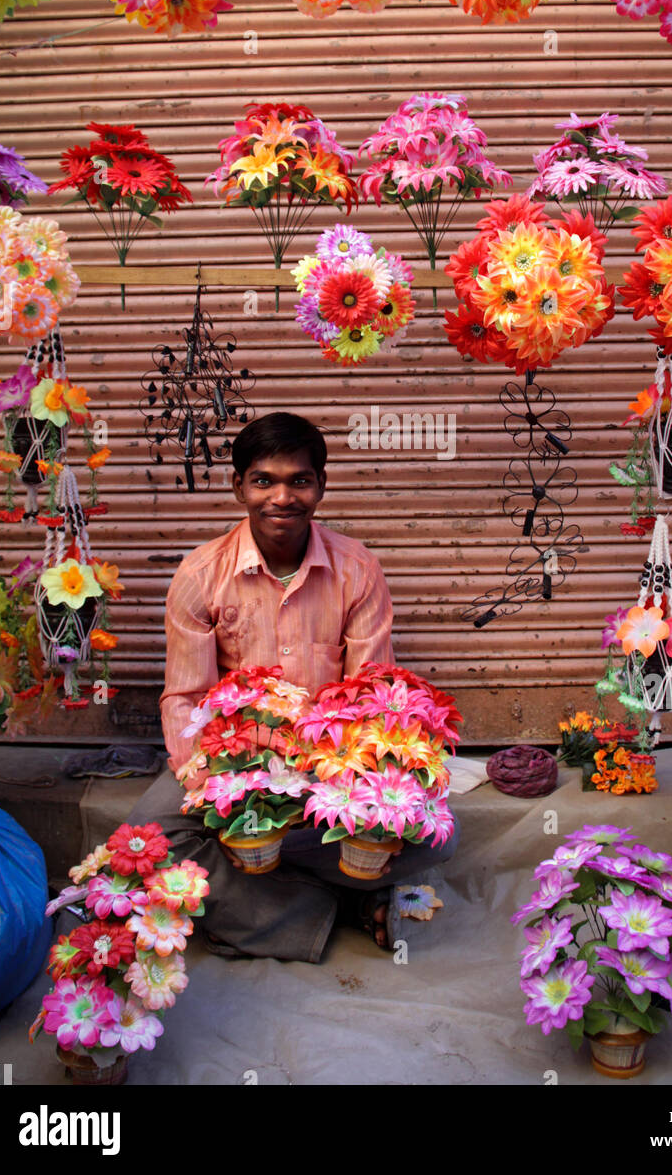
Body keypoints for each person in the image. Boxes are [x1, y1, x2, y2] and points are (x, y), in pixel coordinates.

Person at [127, 411, 458, 962]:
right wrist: (207, 787)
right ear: (239, 487)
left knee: (433, 835)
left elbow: (374, 696)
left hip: (331, 758)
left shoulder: (357, 569)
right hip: (233, 758)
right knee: (146, 842)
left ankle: (262, 894)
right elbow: (186, 697)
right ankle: (333, 908)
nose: (282, 498)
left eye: (299, 481)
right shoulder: (199, 575)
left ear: (321, 486)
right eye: (264, 481)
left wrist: (348, 783)